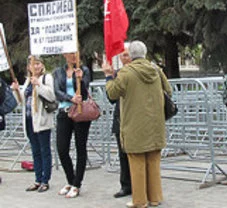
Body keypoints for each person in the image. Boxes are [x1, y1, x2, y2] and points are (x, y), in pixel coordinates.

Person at [102, 40, 171, 208]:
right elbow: (168, 90)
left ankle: (139, 200)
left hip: (134, 125)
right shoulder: (156, 69)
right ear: (145, 53)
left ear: (131, 55)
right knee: (153, 161)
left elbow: (112, 93)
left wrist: (108, 76)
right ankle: (155, 198)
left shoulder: (126, 73)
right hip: (155, 124)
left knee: (137, 162)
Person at [11, 56, 55, 193]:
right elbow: (22, 101)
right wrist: (16, 90)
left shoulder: (46, 78)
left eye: (38, 64)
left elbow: (51, 96)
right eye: (33, 64)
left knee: (44, 151)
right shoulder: (27, 81)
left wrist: (38, 85)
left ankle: (45, 180)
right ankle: (37, 179)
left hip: (42, 121)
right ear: (28, 67)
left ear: (42, 65)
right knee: (35, 152)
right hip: (30, 121)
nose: (35, 66)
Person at [53, 52, 92, 198]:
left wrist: (80, 79)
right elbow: (57, 91)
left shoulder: (85, 70)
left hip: (80, 112)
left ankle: (77, 184)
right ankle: (71, 180)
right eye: (70, 53)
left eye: (75, 53)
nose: (74, 56)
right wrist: (71, 98)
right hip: (64, 111)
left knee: (80, 147)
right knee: (62, 148)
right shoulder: (58, 72)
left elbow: (85, 90)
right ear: (64, 55)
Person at [110, 45, 132, 198]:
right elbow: (111, 98)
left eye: (128, 54)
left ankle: (139, 185)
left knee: (136, 155)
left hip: (134, 119)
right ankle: (126, 185)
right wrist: (109, 78)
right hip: (120, 118)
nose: (125, 57)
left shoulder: (136, 73)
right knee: (122, 155)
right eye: (123, 55)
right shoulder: (117, 74)